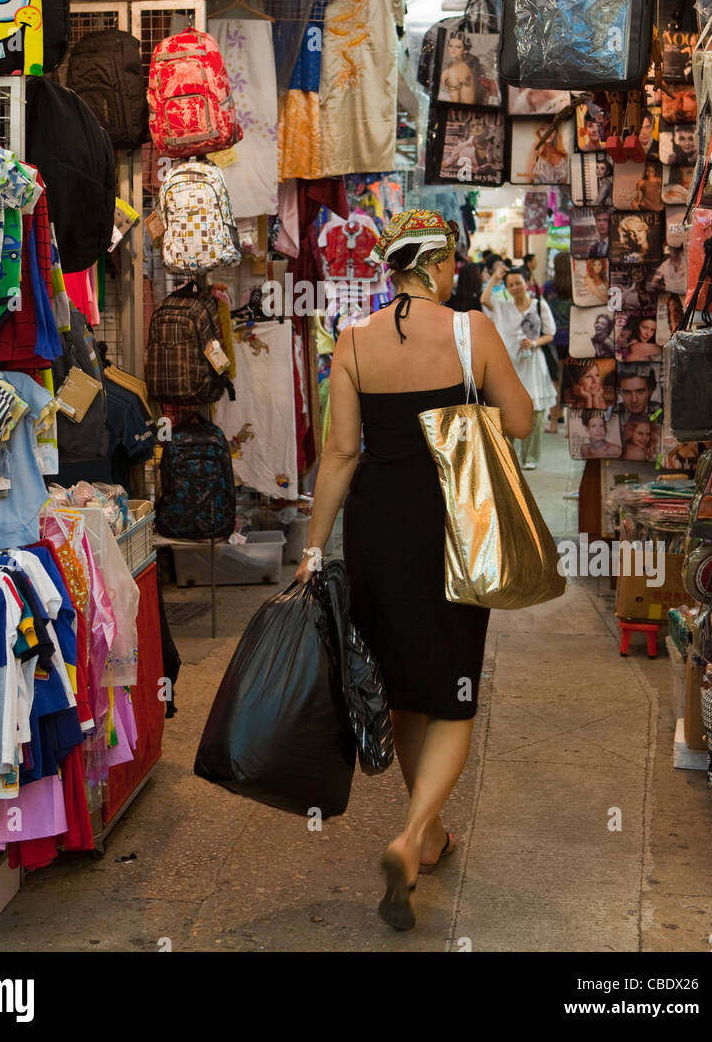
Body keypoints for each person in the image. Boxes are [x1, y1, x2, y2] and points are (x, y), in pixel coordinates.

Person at [293, 209, 532, 931]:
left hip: (377, 529)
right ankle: (409, 834)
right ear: (435, 264)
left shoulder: (355, 341)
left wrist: (313, 549)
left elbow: (339, 455)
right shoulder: (471, 331)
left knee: (400, 684)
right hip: (455, 529)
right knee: (454, 690)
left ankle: (427, 835)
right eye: (451, 260)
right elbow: (519, 422)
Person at [482, 263, 555, 470]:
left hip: (534, 365)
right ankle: (508, 455)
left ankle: (530, 457)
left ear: (527, 283)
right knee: (508, 409)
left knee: (536, 411)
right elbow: (484, 300)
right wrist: (495, 278)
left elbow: (550, 334)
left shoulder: (539, 305)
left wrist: (534, 343)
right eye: (511, 285)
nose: (515, 287)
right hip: (510, 366)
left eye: (518, 283)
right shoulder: (503, 307)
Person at [543, 250, 572, 433]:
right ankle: (570, 429)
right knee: (572, 383)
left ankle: (554, 425)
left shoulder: (548, 287)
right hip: (574, 339)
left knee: (556, 382)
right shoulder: (576, 287)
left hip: (553, 340)